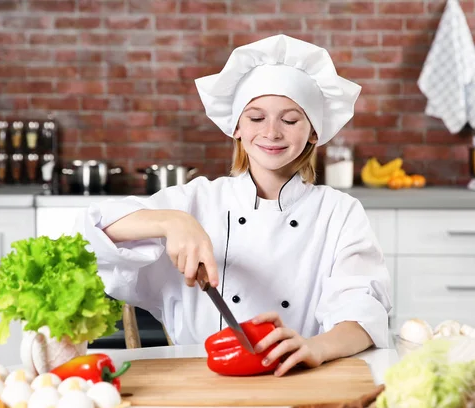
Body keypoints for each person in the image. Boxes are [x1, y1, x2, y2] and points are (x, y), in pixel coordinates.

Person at [76, 34, 392, 377]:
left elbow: (362, 310)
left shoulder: (339, 212)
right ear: (236, 127)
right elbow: (91, 234)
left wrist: (316, 347)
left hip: (296, 376)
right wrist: (171, 222)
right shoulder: (196, 200)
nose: (272, 133)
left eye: (289, 120)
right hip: (197, 378)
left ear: (314, 131)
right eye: (256, 118)